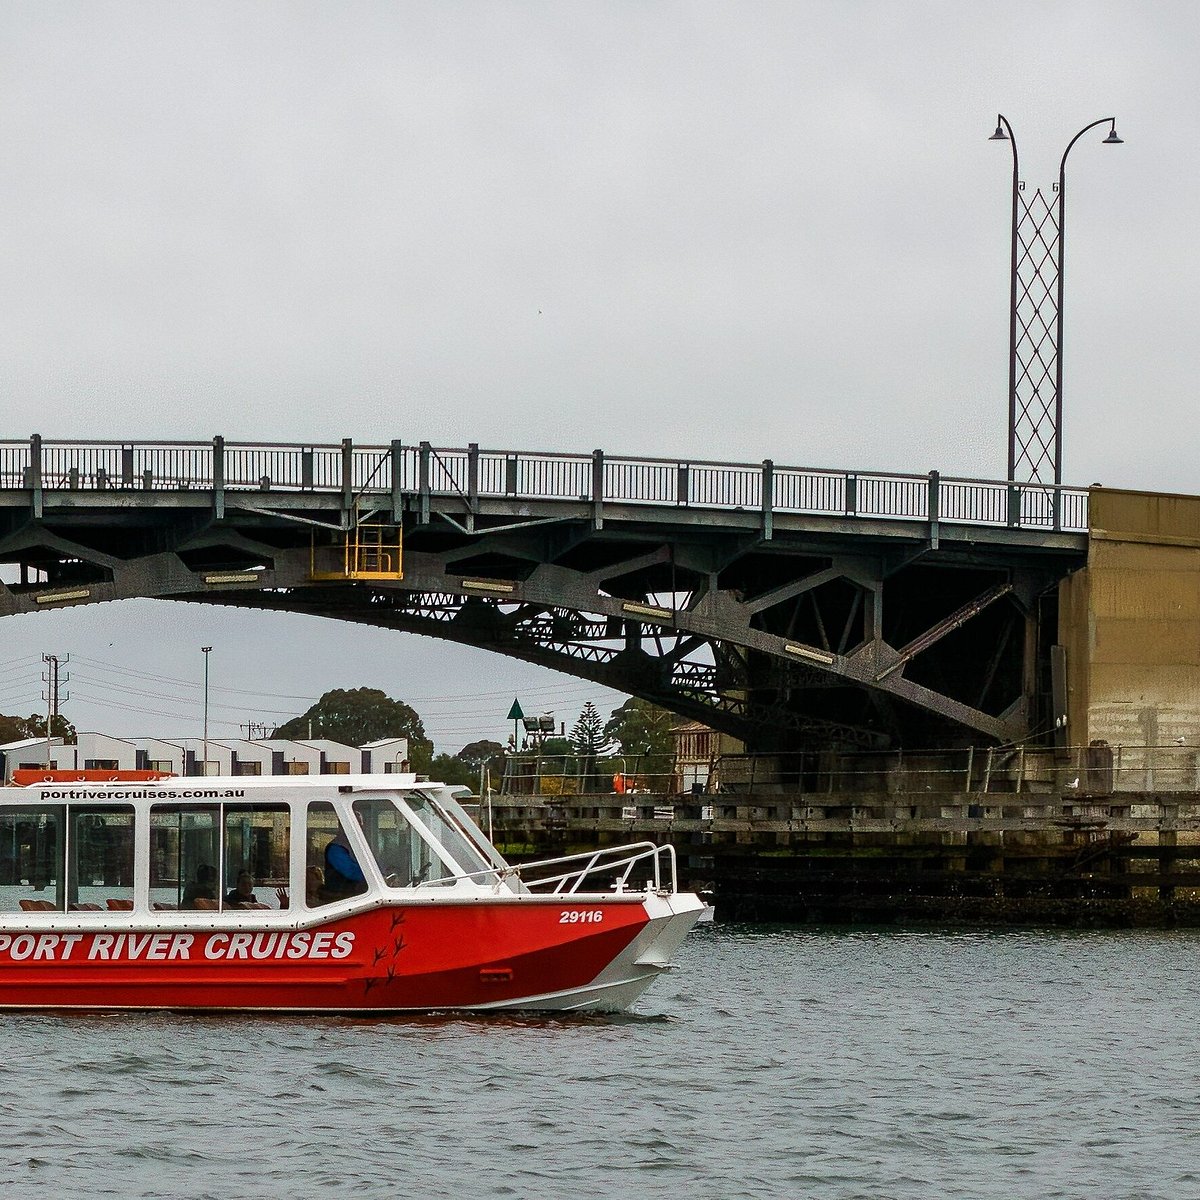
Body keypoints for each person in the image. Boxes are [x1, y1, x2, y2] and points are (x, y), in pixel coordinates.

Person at [322, 828, 367, 901]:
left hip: (355, 895)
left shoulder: (357, 844)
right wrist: (375, 875)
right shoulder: (336, 848)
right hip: (341, 899)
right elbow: (351, 872)